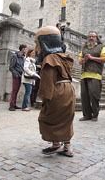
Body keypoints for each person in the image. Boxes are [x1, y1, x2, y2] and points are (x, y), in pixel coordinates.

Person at [36, 26, 75, 157]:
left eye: (38, 44)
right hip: (69, 89)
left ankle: (56, 144)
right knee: (66, 118)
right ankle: (67, 147)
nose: (37, 48)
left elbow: (48, 81)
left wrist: (45, 99)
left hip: (58, 90)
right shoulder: (63, 56)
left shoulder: (50, 59)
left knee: (48, 117)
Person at [78, 31, 105, 122]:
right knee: (84, 95)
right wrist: (83, 60)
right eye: (90, 36)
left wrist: (92, 58)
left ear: (96, 38)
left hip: (96, 75)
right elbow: (79, 61)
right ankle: (87, 115)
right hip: (84, 74)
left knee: (94, 94)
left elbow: (104, 59)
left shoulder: (101, 47)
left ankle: (95, 114)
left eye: (93, 36)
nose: (91, 38)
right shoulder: (84, 48)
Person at [8, 44, 27, 111]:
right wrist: (15, 74)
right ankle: (11, 105)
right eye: (25, 49)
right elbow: (11, 67)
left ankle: (14, 104)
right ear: (22, 49)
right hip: (16, 75)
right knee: (14, 90)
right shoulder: (15, 56)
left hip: (20, 75)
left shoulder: (23, 57)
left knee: (17, 90)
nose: (26, 50)